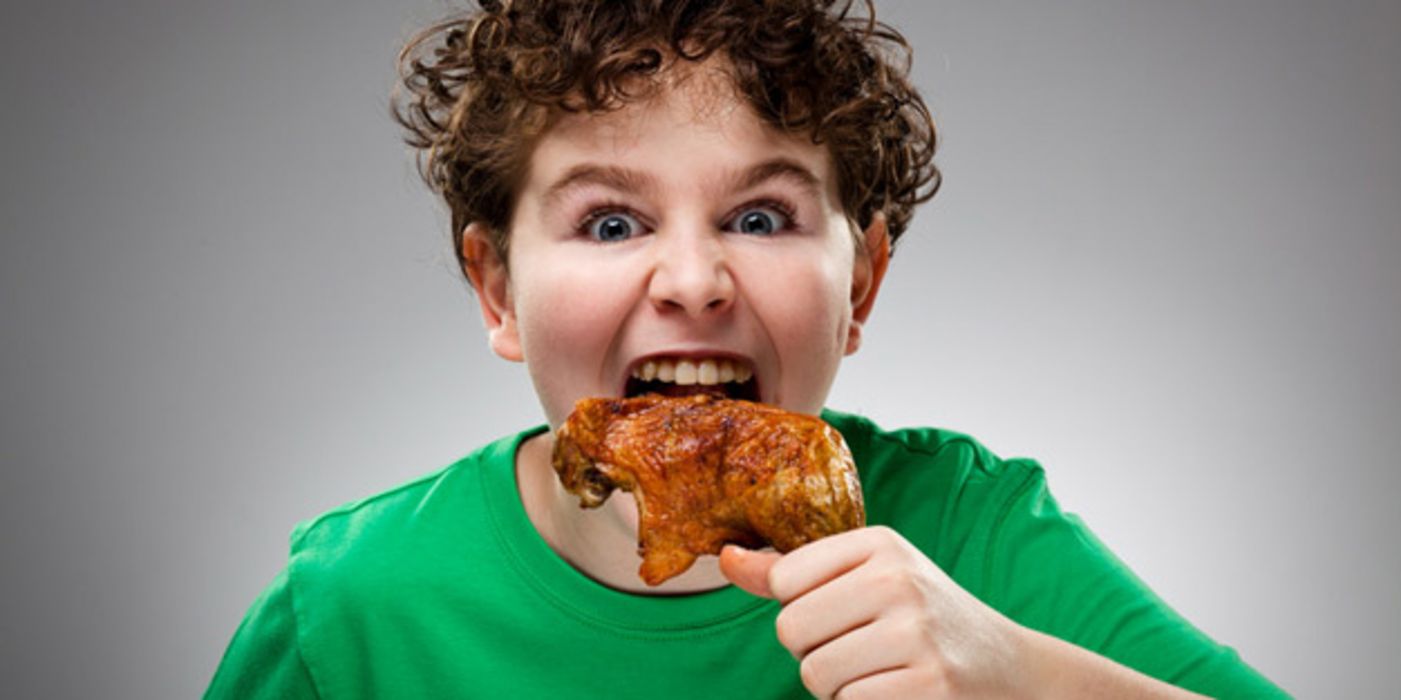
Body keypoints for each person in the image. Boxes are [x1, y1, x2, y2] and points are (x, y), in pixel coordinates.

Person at [206, 1, 1289, 697]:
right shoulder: (351, 610)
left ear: (859, 285)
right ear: (497, 290)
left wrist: (1022, 677)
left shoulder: (977, 535)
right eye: (611, 223)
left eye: (761, 218)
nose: (692, 281)